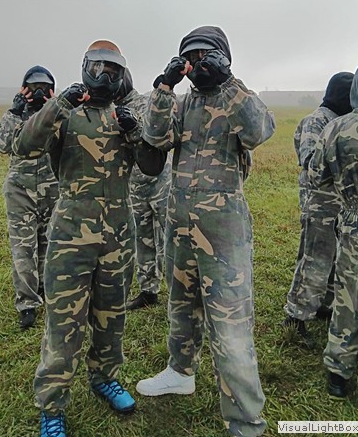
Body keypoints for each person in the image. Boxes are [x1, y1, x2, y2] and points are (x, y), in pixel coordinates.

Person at [12, 41, 166, 437]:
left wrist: (136, 132)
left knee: (111, 316)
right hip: (70, 236)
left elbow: (151, 167)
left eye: (113, 71)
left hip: (118, 235)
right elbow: (23, 145)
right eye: (98, 68)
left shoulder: (125, 117)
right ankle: (52, 405)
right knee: (64, 322)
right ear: (84, 68)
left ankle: (104, 377)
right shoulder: (66, 114)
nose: (104, 76)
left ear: (121, 76)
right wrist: (57, 105)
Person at [135, 26, 275, 437]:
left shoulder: (236, 98)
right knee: (181, 305)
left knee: (230, 325)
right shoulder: (183, 104)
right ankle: (180, 372)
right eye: (190, 57)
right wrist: (164, 88)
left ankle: (246, 420)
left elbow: (260, 130)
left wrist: (228, 81)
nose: (197, 64)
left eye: (205, 56)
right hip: (180, 224)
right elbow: (154, 138)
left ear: (223, 58)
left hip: (223, 230)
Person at [308, 61, 358, 419]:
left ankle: (338, 376)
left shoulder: (336, 128)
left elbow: (316, 176)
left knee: (347, 299)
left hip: (353, 224)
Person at [283, 72, 354, 344]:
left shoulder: (338, 120)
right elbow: (310, 161)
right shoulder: (318, 120)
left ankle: (324, 304)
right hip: (320, 202)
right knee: (314, 258)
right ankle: (296, 317)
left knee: (334, 257)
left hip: (338, 202)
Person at [0, 65, 58, 329]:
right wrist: (14, 111)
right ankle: (27, 304)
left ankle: (43, 288)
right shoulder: (17, 116)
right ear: (24, 89)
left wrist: (56, 108)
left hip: (52, 191)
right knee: (23, 248)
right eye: (33, 87)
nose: (38, 92)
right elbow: (1, 144)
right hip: (20, 191)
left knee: (48, 243)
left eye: (44, 87)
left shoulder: (56, 116)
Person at [115, 68, 172, 310]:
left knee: (172, 239)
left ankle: (181, 292)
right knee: (143, 240)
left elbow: (157, 134)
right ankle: (148, 290)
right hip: (134, 186)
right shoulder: (110, 110)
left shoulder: (145, 103)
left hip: (161, 182)